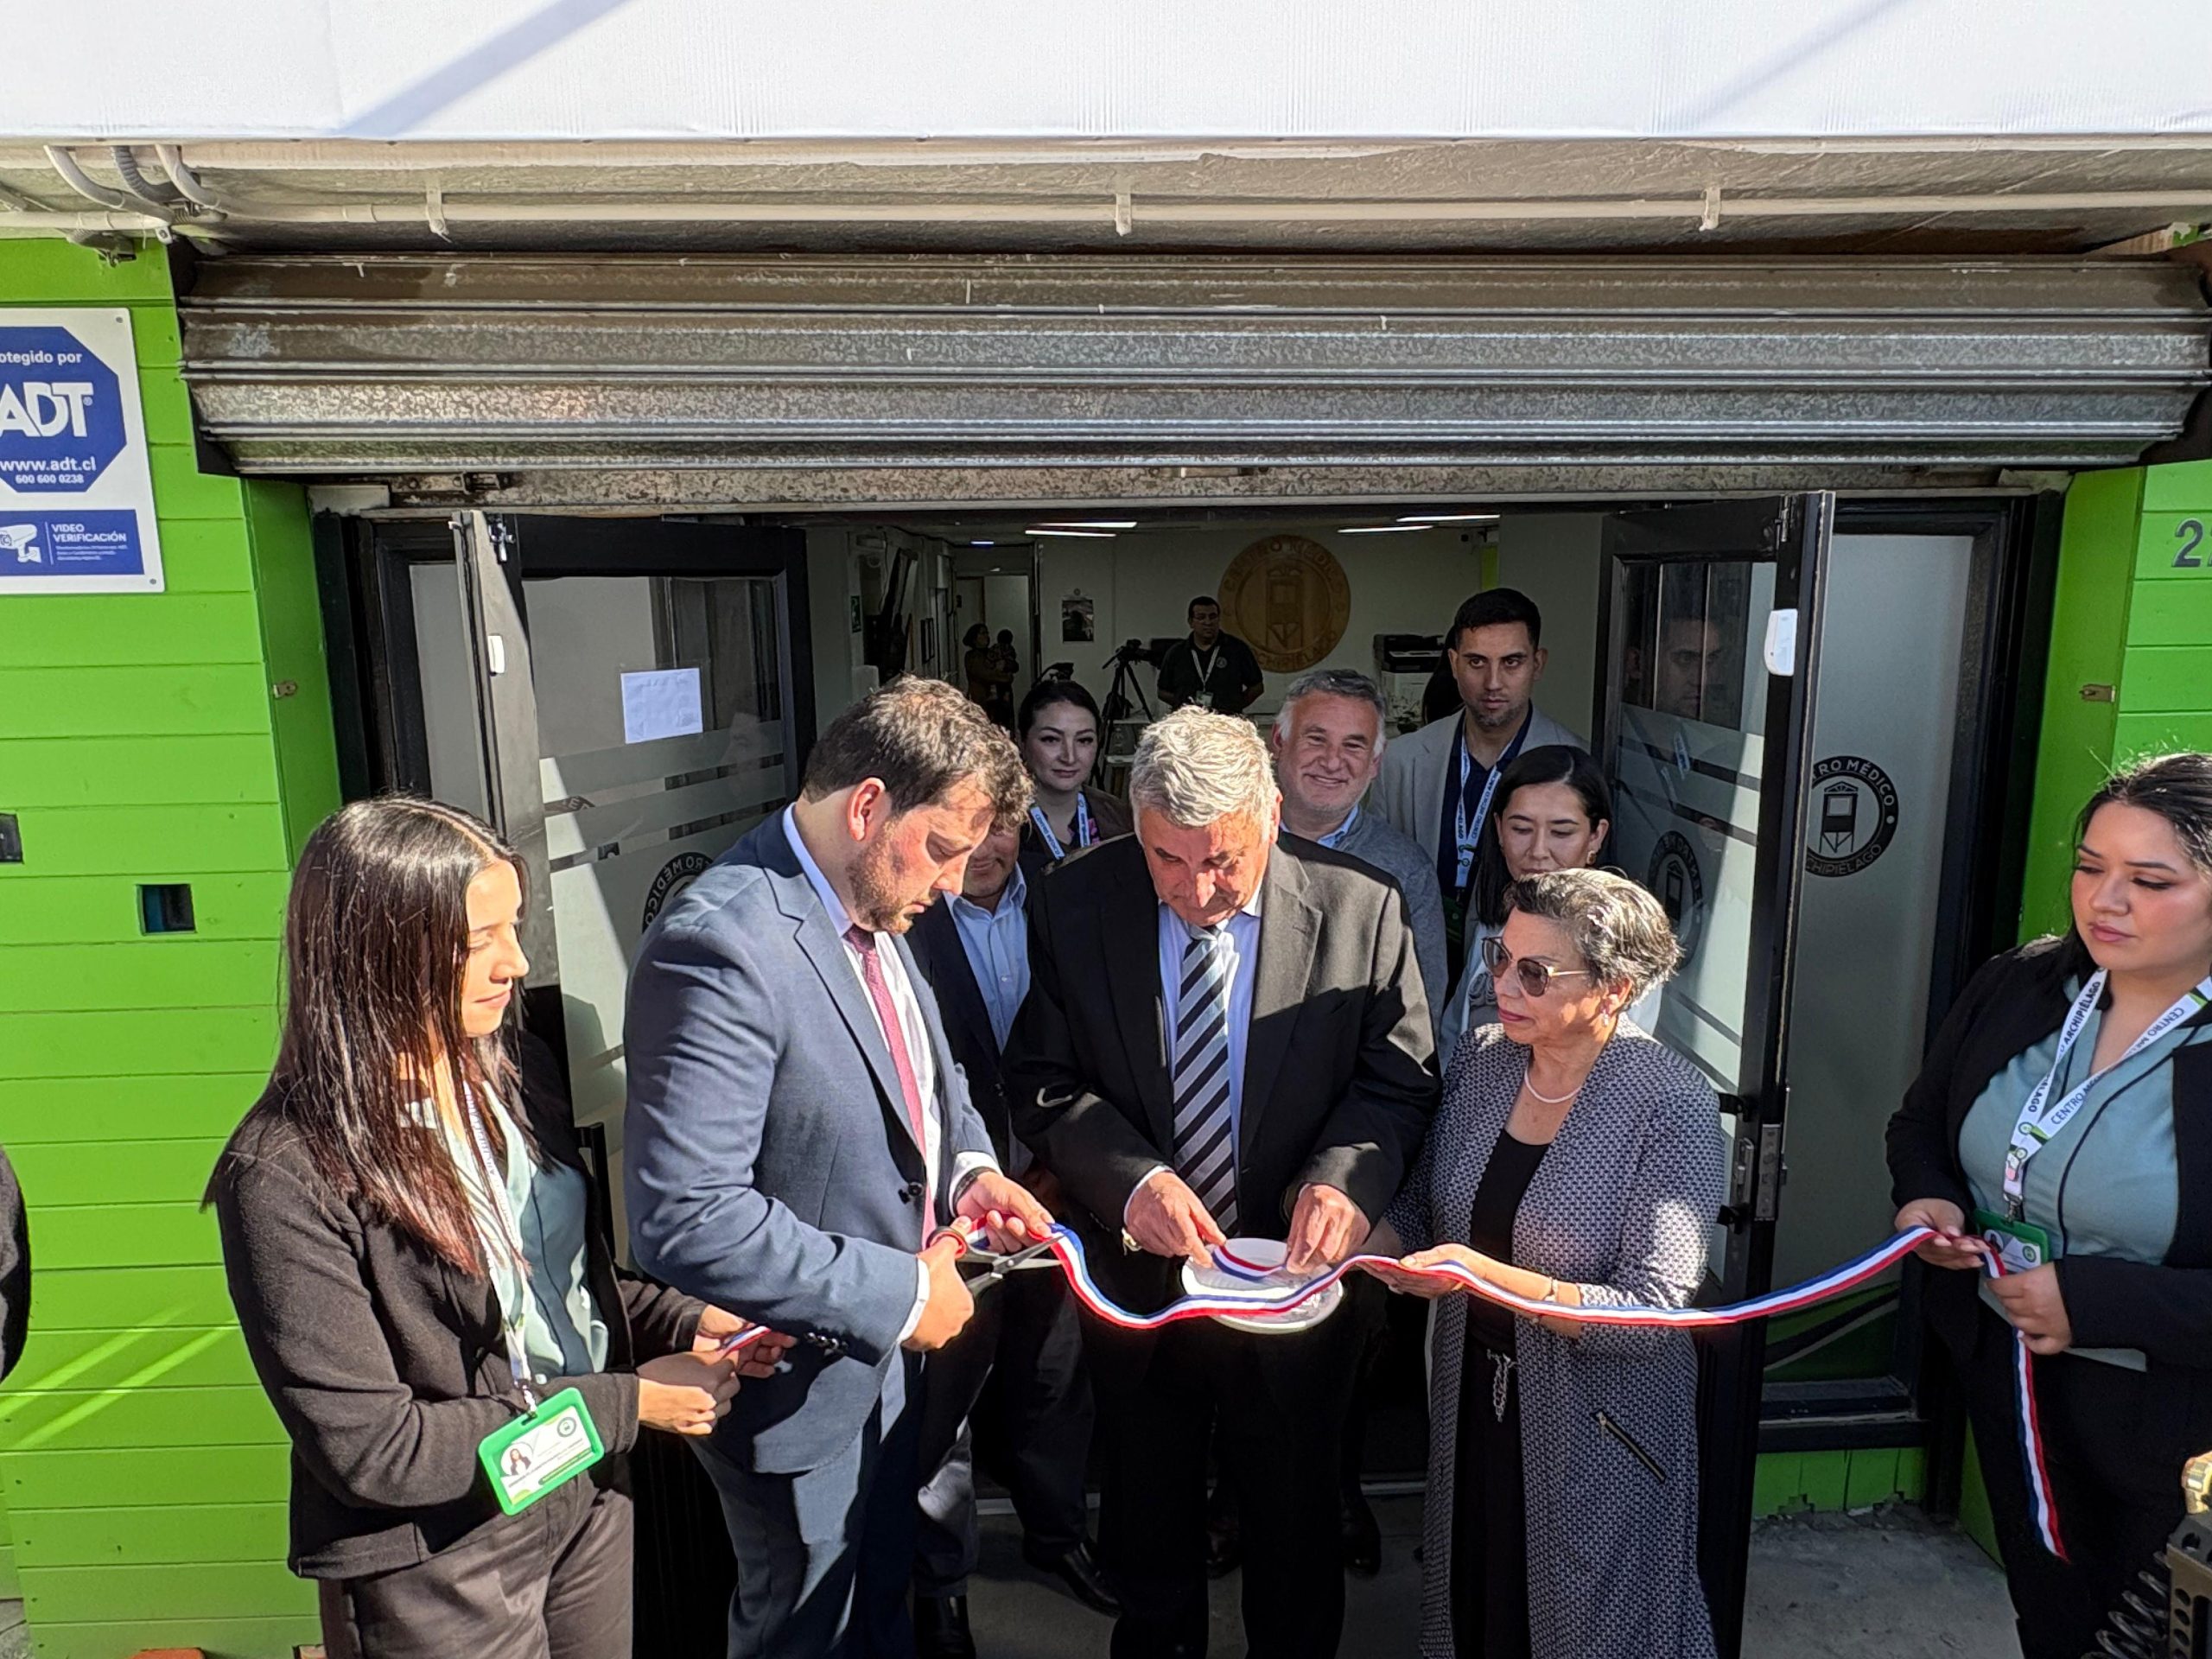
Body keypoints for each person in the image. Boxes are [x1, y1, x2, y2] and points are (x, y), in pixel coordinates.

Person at [207, 798, 785, 1659]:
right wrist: (625, 1405)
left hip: (584, 1499)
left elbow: (556, 1285)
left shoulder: (517, 1072)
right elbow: (376, 1451)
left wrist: (682, 1318)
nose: (514, 962)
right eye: (479, 939)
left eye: (513, 926)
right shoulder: (285, 1172)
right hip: (438, 1555)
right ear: (376, 952)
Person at [623, 676, 1056, 1659]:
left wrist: (970, 1173)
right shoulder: (718, 944)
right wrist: (901, 1293)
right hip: (799, 1396)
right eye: (943, 848)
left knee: (877, 1619)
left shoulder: (878, 901)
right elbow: (687, 1216)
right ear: (867, 807)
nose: (956, 883)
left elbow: (927, 1076)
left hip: (887, 1375)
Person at [1004, 706, 1437, 1659]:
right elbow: (1042, 1080)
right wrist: (1130, 1182)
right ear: (1135, 824)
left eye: (1223, 861)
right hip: (1141, 1287)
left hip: (1295, 1285)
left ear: (1271, 816)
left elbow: (1398, 1080)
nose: (1195, 889)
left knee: (1295, 1530)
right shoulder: (1075, 901)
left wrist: (1344, 1180)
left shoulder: (1361, 908)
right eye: (1166, 858)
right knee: (1146, 1526)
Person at [1887, 752, 2212, 1659]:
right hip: (2011, 1379)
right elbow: (1920, 1123)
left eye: (2150, 881)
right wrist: (1929, 1199)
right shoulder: (2022, 983)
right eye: (2090, 866)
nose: (2105, 901)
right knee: (2055, 1623)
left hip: (2175, 1427)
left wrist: (2096, 1299)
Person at [1365, 868, 1723, 1659]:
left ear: (1615, 989)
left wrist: (1478, 1276)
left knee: (1588, 1623)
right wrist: (1350, 1250)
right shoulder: (1486, 1060)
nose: (1502, 985)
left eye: (1535, 972)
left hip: (1600, 1427)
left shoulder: (1673, 1102)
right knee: (1475, 1597)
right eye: (1500, 957)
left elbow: (1649, 1312)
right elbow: (1424, 1203)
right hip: (1476, 1400)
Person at [905, 824, 1116, 1657]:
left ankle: (1057, 1536)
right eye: (967, 829)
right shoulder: (910, 906)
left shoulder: (1066, 897)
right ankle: (941, 1587)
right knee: (944, 1404)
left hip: (1053, 1193)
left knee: (1054, 1380)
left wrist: (1067, 1166)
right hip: (949, 1211)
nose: (983, 848)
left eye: (1000, 824)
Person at [1371, 589, 1583, 974]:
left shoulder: (1575, 765)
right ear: (1454, 664)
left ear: (1538, 664)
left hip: (1520, 974)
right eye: (1476, 662)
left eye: (1512, 662)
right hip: (1412, 967)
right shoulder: (1402, 760)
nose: (1493, 682)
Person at [1440, 746, 1660, 1065]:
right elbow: (1453, 1035)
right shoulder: (1497, 915)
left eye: (1561, 832)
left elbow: (1618, 1066)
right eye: (1521, 829)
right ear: (1499, 829)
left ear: (1596, 836)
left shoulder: (1622, 941)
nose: (1538, 850)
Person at [1269, 666, 1448, 1033]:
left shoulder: (1405, 870)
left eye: (1353, 745)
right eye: (1316, 739)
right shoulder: (1230, 848)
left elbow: (1418, 1018)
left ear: (1375, 763)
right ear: (1279, 741)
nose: (1332, 761)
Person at [1015, 677, 1134, 878]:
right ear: (1021, 741)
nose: (1069, 757)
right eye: (1051, 739)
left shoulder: (1122, 819)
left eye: (1084, 740)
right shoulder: (996, 825)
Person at [1155, 595, 1265, 715]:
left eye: (1212, 617)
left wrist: (1234, 706)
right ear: (1191, 622)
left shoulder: (1237, 649)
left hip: (1225, 720)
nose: (1208, 622)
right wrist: (1183, 705)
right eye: (1201, 617)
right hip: (1189, 720)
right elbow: (1162, 692)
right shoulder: (1177, 653)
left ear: (1218, 619)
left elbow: (1257, 687)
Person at [963, 623, 1014, 727]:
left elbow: (1013, 664)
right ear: (974, 638)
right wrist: (1006, 677)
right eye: (983, 633)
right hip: (982, 701)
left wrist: (1006, 664)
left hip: (1000, 701)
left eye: (987, 633)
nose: (987, 636)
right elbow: (986, 674)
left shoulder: (993, 651)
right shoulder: (972, 657)